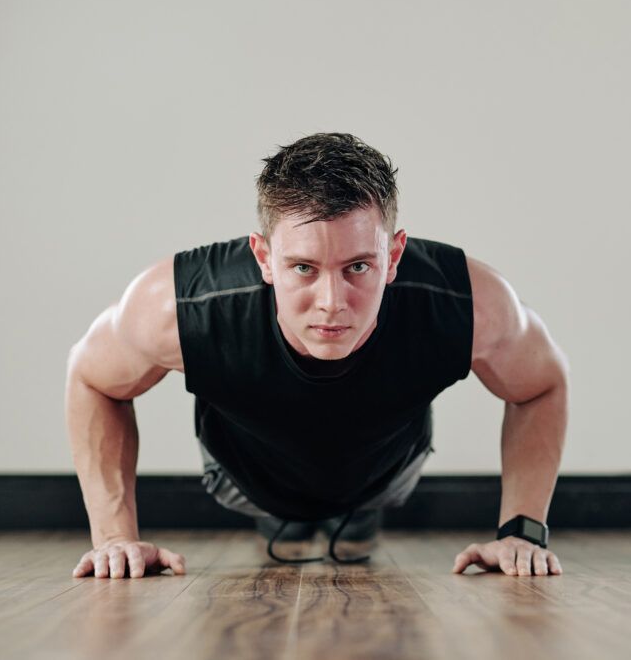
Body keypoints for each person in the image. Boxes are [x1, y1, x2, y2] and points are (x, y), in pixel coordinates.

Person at [65, 133, 568, 579]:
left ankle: (352, 514)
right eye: (304, 267)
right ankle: (289, 520)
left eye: (358, 267)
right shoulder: (182, 307)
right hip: (246, 476)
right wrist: (114, 539)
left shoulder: (466, 301)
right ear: (263, 257)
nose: (332, 301)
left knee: (360, 506)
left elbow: (540, 384)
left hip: (386, 473)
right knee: (284, 523)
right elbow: (93, 379)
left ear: (393, 256)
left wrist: (522, 533)